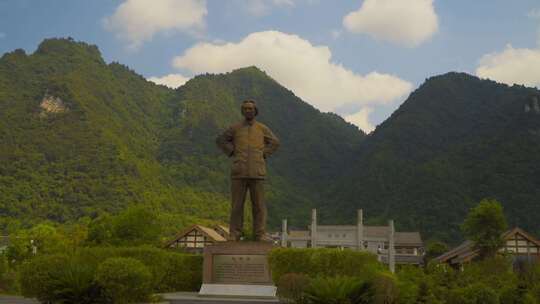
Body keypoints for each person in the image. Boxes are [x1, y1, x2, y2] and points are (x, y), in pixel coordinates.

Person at [216, 100, 280, 241]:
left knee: (259, 206)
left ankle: (260, 233)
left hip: (257, 172)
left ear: (255, 111)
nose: (248, 111)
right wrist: (232, 151)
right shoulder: (235, 128)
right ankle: (235, 233)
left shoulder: (262, 129)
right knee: (237, 205)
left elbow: (275, 142)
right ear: (242, 111)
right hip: (239, 171)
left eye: (250, 109)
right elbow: (221, 140)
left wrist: (264, 153)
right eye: (245, 109)